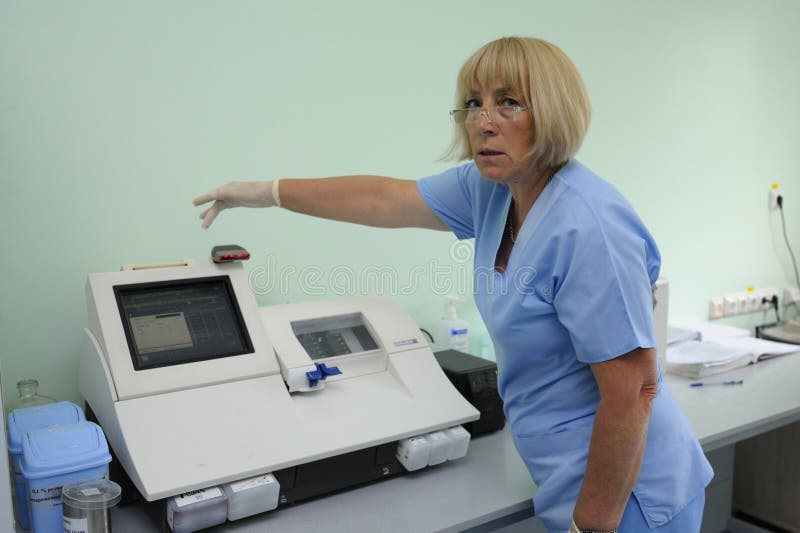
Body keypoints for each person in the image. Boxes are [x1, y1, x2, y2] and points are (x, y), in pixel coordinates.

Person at [193, 36, 713, 533]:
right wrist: (266, 192)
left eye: (508, 102)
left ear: (553, 111)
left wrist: (591, 527)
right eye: (472, 103)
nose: (482, 123)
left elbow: (634, 392)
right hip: (566, 476)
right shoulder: (493, 190)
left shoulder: (589, 226)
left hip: (629, 498)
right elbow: (383, 199)